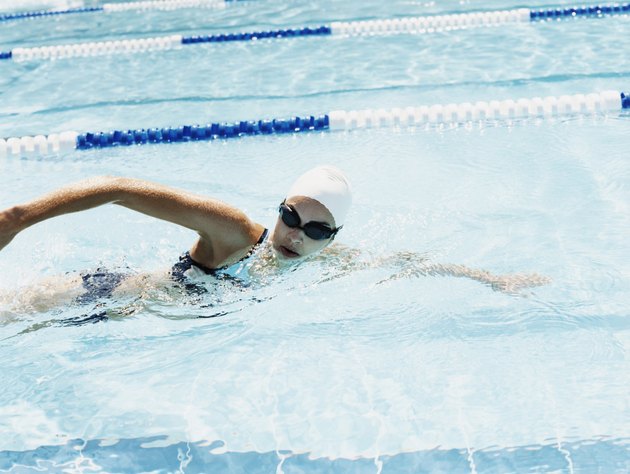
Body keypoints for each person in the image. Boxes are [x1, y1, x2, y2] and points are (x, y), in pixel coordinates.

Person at [0, 165, 549, 320]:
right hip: (99, 296)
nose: (295, 236)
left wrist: (492, 280)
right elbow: (118, 189)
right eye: (291, 216)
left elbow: (408, 262)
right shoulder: (236, 234)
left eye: (316, 231)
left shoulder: (326, 263)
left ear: (332, 239)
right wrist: (20, 218)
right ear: (278, 210)